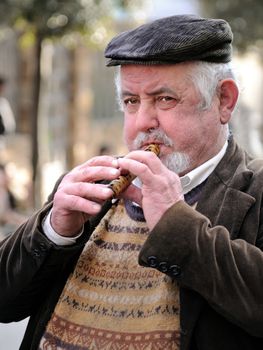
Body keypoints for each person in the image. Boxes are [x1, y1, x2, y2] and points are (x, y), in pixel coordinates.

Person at [0, 14, 262, 350]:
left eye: (165, 99)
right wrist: (53, 230)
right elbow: (6, 303)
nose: (142, 123)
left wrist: (175, 223)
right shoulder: (93, 184)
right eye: (131, 101)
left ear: (224, 101)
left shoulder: (256, 188)